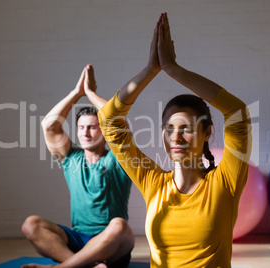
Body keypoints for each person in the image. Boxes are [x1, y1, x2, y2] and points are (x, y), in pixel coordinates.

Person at [98, 13, 252, 267]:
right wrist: (150, 70)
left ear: (207, 133)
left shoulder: (225, 182)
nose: (176, 137)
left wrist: (173, 70)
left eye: (187, 128)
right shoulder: (153, 182)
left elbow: (238, 114)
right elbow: (109, 121)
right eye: (169, 128)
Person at [21, 64, 134, 268]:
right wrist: (76, 93)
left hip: (111, 243)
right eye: (81, 127)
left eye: (92, 127)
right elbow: (49, 125)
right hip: (77, 241)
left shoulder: (118, 158)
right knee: (31, 224)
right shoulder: (72, 157)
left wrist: (91, 93)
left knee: (120, 226)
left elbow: (119, 122)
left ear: (104, 132)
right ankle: (85, 265)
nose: (85, 133)